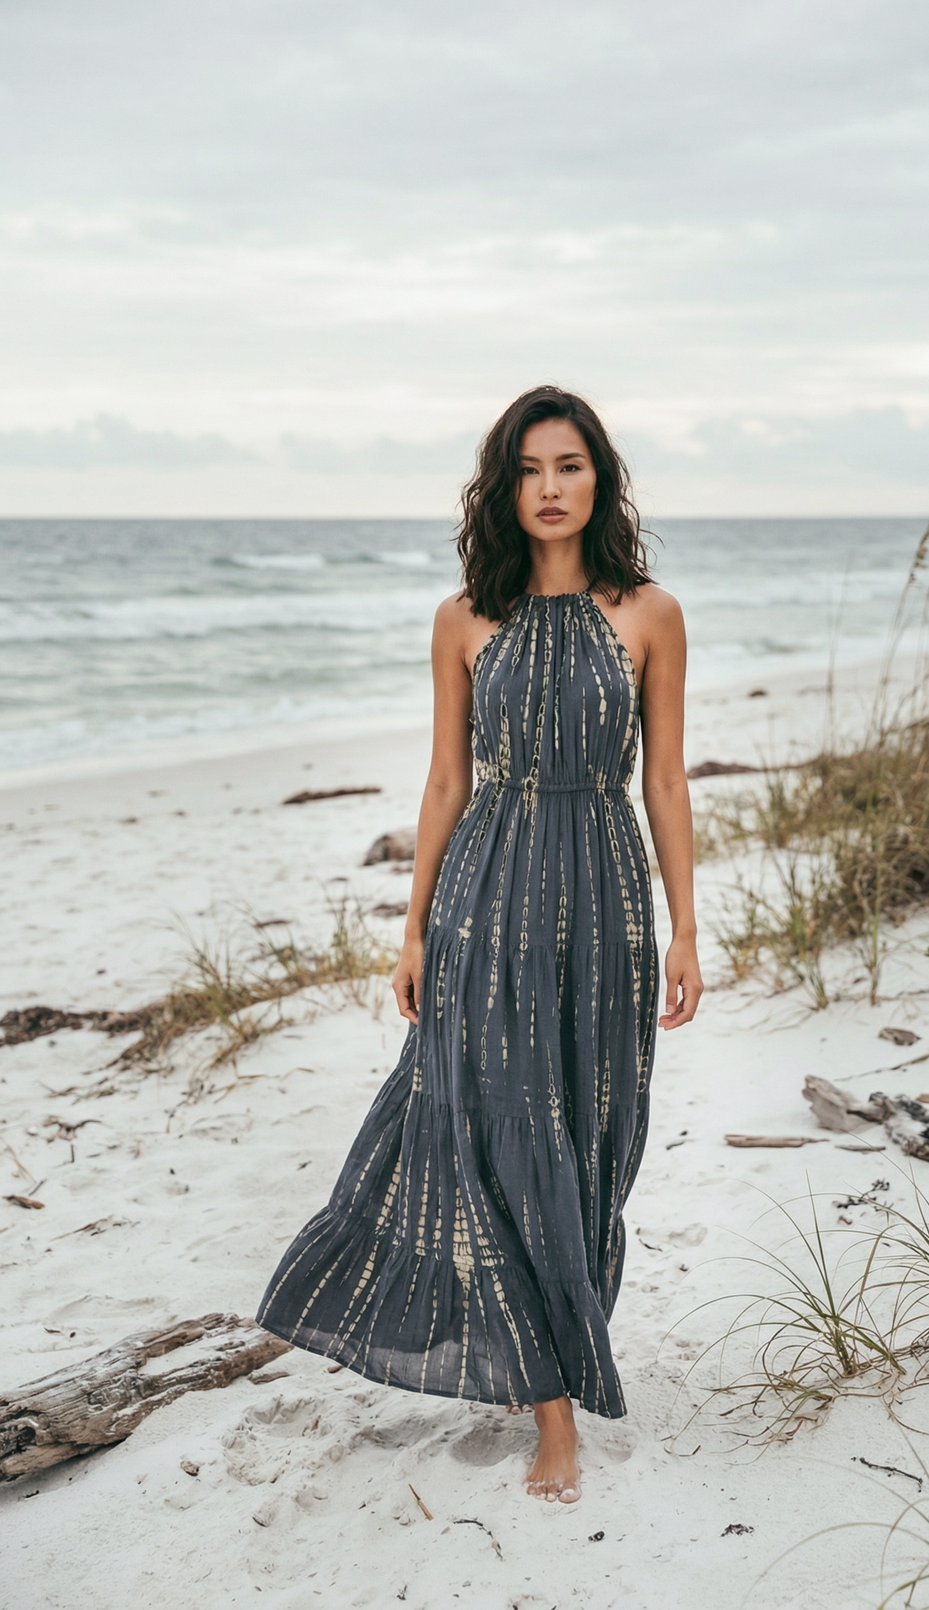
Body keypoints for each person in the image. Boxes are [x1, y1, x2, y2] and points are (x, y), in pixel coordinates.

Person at [256, 385, 703, 1505]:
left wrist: (687, 921)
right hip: (487, 896)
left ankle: (531, 1339)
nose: (550, 487)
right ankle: (553, 1407)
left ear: (600, 480)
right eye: (529, 469)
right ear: (504, 489)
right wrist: (410, 925)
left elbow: (661, 778)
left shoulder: (649, 613)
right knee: (509, 1133)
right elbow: (448, 778)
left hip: (602, 897)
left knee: (593, 1138)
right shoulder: (466, 618)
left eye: (570, 465)